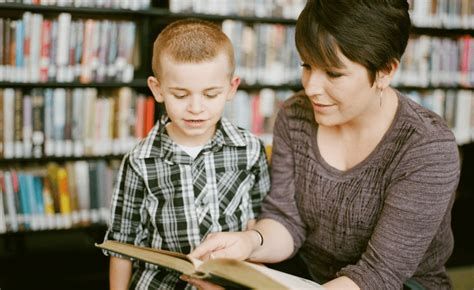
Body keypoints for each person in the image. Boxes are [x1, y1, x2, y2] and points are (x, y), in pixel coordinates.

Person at [189, 0, 460, 289]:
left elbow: (379, 275)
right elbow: (286, 220)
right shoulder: (295, 115)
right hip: (308, 280)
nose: (311, 87)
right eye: (307, 65)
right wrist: (249, 243)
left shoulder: (426, 147)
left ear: (385, 71)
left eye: (333, 73)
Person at [103, 18, 270, 289]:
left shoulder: (250, 149)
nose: (196, 108)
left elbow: (260, 224)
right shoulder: (139, 161)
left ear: (231, 88)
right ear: (157, 89)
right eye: (180, 95)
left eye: (210, 94)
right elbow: (122, 243)